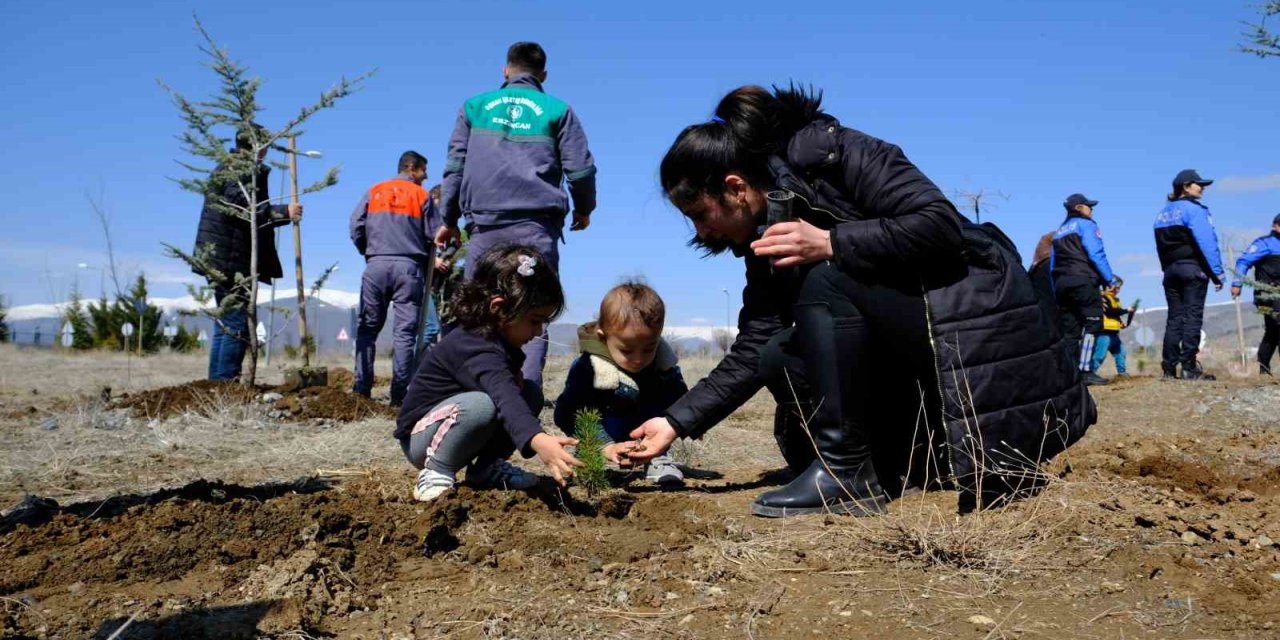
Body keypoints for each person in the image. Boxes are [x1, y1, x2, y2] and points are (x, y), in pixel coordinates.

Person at [611, 85, 1094, 517]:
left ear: (735, 188)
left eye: (700, 213)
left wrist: (832, 242)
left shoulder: (836, 152)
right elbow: (755, 343)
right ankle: (886, 466)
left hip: (969, 323)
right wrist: (675, 422)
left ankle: (846, 476)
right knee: (780, 350)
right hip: (910, 346)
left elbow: (940, 224)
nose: (700, 231)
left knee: (828, 279)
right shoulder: (770, 226)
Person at [436, 41, 597, 390]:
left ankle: (476, 391)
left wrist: (447, 221)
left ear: (506, 70)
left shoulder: (474, 107)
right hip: (536, 227)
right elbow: (581, 171)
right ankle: (527, 397)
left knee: (478, 308)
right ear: (543, 75)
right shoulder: (557, 109)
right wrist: (584, 209)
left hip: (484, 226)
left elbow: (454, 168)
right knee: (532, 308)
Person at [395, 245, 581, 501]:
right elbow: (504, 398)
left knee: (529, 393)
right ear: (498, 308)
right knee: (482, 405)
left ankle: (486, 469)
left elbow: (512, 396)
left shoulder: (500, 341)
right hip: (421, 439)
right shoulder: (474, 346)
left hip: (457, 425)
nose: (538, 332)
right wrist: (538, 439)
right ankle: (437, 470)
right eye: (534, 320)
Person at [193, 124, 302, 381]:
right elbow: (240, 204)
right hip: (230, 259)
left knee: (226, 325)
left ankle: (218, 384)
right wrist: (282, 212)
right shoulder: (239, 168)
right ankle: (225, 383)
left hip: (226, 256)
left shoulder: (235, 166)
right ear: (257, 145)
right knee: (236, 324)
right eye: (265, 144)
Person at [553, 280, 689, 486]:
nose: (638, 359)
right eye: (627, 350)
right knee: (585, 423)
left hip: (647, 431)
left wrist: (690, 419)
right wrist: (602, 445)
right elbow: (569, 413)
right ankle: (590, 461)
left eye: (648, 349)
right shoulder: (588, 368)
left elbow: (679, 396)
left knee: (662, 406)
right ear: (603, 337)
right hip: (603, 428)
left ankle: (656, 457)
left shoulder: (663, 366)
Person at [350, 151, 436, 405]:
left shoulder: (374, 191)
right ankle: (399, 395)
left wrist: (368, 251)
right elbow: (435, 233)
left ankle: (361, 390)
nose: (426, 176)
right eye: (423, 171)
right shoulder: (422, 195)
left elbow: (355, 225)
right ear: (411, 168)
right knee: (405, 334)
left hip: (375, 265)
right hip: (408, 268)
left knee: (367, 330)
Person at [1153, 169, 1224, 380]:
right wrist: (1217, 273)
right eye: (1198, 184)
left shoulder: (1161, 214)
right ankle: (1189, 368)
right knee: (1192, 317)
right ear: (1185, 186)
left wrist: (1167, 269)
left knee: (1174, 319)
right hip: (1192, 269)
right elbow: (1207, 243)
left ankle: (1168, 369)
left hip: (1170, 272)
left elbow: (1160, 247)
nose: (1202, 187)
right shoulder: (1194, 210)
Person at [1051, 193, 1118, 386]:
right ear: (1079, 208)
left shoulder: (1059, 232)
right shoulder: (1086, 225)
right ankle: (1085, 370)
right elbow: (1096, 253)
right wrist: (1110, 279)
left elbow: (1053, 263)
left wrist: (1054, 286)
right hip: (1083, 280)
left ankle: (1069, 373)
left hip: (1062, 284)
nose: (1092, 209)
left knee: (1070, 331)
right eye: (1089, 206)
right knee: (1093, 325)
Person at [1231, 213, 1280, 375]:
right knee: (1277, 325)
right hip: (1266, 294)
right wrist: (1237, 283)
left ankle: (1263, 366)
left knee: (1273, 331)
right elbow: (1243, 262)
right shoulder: (1264, 244)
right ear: (1275, 226)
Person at [1091, 278, 1136, 377]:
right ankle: (1090, 373)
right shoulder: (1102, 297)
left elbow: (1115, 314)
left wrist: (1121, 323)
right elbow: (1109, 312)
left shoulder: (1115, 300)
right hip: (1104, 333)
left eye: (1119, 288)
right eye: (1116, 287)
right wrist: (1126, 310)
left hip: (1114, 333)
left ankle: (1122, 373)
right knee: (1099, 356)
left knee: (1121, 352)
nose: (1118, 290)